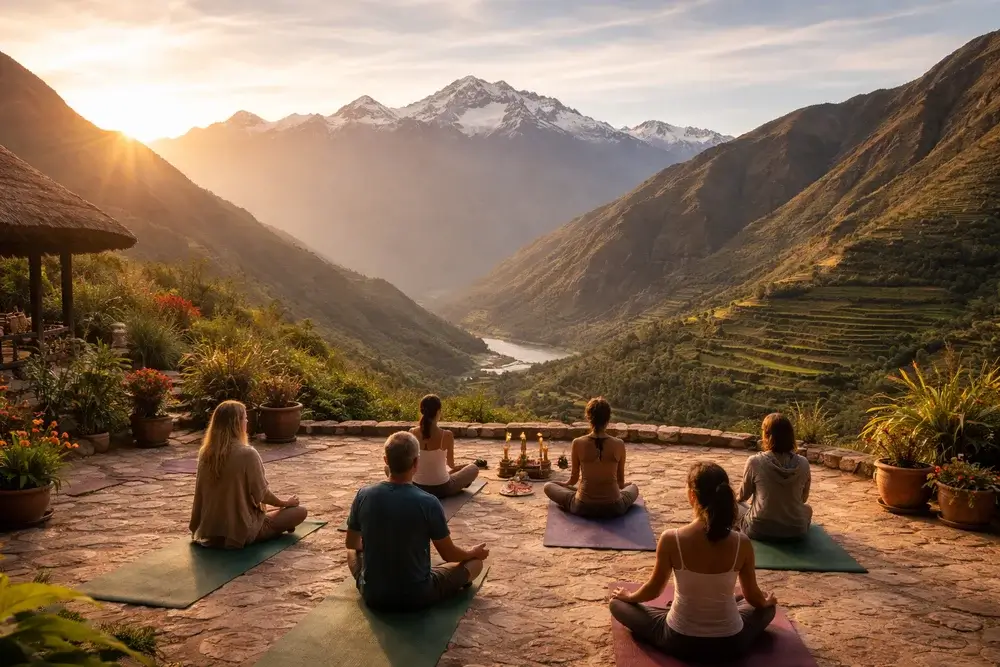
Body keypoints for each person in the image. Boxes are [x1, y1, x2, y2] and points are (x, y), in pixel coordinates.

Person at [609, 462, 777, 663]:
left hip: (678, 639)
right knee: (767, 604)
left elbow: (653, 590)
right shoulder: (743, 543)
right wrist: (766, 602)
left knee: (617, 604)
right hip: (731, 642)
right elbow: (753, 597)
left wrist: (629, 596)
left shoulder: (672, 539)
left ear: (692, 496)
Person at [346, 431, 489, 611]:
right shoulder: (428, 502)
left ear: (385, 460)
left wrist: (380, 545)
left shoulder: (363, 495)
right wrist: (471, 552)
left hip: (374, 594)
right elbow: (449, 555)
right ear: (416, 462)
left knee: (352, 553)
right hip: (418, 595)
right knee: (475, 564)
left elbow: (351, 542)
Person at [189, 400, 308, 549]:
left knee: (271, 513)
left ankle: (278, 521)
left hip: (209, 529)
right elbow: (262, 495)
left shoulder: (205, 453)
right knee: (299, 512)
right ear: (236, 424)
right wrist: (286, 503)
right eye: (245, 418)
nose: (247, 421)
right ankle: (279, 525)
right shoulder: (247, 454)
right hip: (239, 532)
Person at [543, 397, 639, 518]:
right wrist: (624, 486)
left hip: (582, 506)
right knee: (634, 487)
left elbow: (572, 480)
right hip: (614, 507)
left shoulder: (577, 443)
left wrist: (561, 484)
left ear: (588, 418)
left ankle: (584, 492)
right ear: (608, 419)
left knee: (548, 486)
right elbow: (620, 484)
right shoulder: (619, 444)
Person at [736, 413, 812, 541]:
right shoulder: (804, 463)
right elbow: (803, 499)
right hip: (796, 530)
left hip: (759, 529)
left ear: (766, 435)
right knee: (808, 509)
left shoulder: (755, 461)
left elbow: (743, 496)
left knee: (735, 506)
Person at [407, 394, 480, 498]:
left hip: (417, 487)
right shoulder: (447, 435)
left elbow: (410, 463)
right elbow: (451, 465)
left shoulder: (412, 432)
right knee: (473, 468)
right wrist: (464, 466)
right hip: (442, 488)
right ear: (438, 412)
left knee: (389, 468)